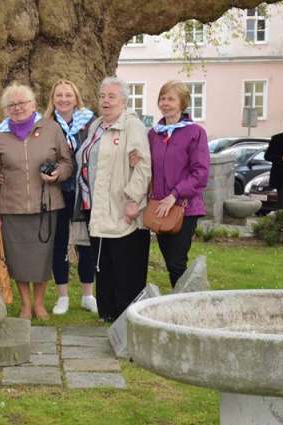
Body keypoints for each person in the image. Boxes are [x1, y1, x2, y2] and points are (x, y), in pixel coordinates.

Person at [0, 82, 72, 320]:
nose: (17, 108)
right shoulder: (0, 135)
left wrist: (58, 174)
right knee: (19, 260)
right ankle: (25, 304)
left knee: (43, 259)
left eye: (22, 103)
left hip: (47, 206)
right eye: (11, 105)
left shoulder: (51, 128)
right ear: (6, 109)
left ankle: (39, 303)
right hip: (12, 208)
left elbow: (67, 163)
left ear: (33, 104)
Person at [75, 76, 152, 323]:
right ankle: (107, 313)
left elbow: (142, 166)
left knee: (125, 264)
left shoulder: (132, 126)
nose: (106, 101)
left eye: (112, 96)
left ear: (124, 101)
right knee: (104, 263)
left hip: (123, 207)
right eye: (102, 96)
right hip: (98, 207)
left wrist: (133, 200)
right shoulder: (96, 125)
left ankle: (126, 317)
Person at [144, 80, 210, 288]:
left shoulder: (195, 132)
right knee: (171, 262)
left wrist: (174, 195)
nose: (165, 103)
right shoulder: (154, 133)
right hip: (160, 208)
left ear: (183, 103)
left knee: (177, 261)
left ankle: (185, 303)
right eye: (162, 98)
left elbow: (200, 173)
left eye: (171, 99)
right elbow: (148, 166)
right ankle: (182, 299)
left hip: (185, 207)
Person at [42, 79, 98, 316]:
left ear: (76, 98)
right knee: (59, 243)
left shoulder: (92, 121)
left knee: (87, 243)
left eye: (68, 95)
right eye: (59, 96)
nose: (63, 99)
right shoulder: (45, 125)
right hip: (56, 191)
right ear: (52, 100)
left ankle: (88, 295)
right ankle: (62, 296)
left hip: (84, 191)